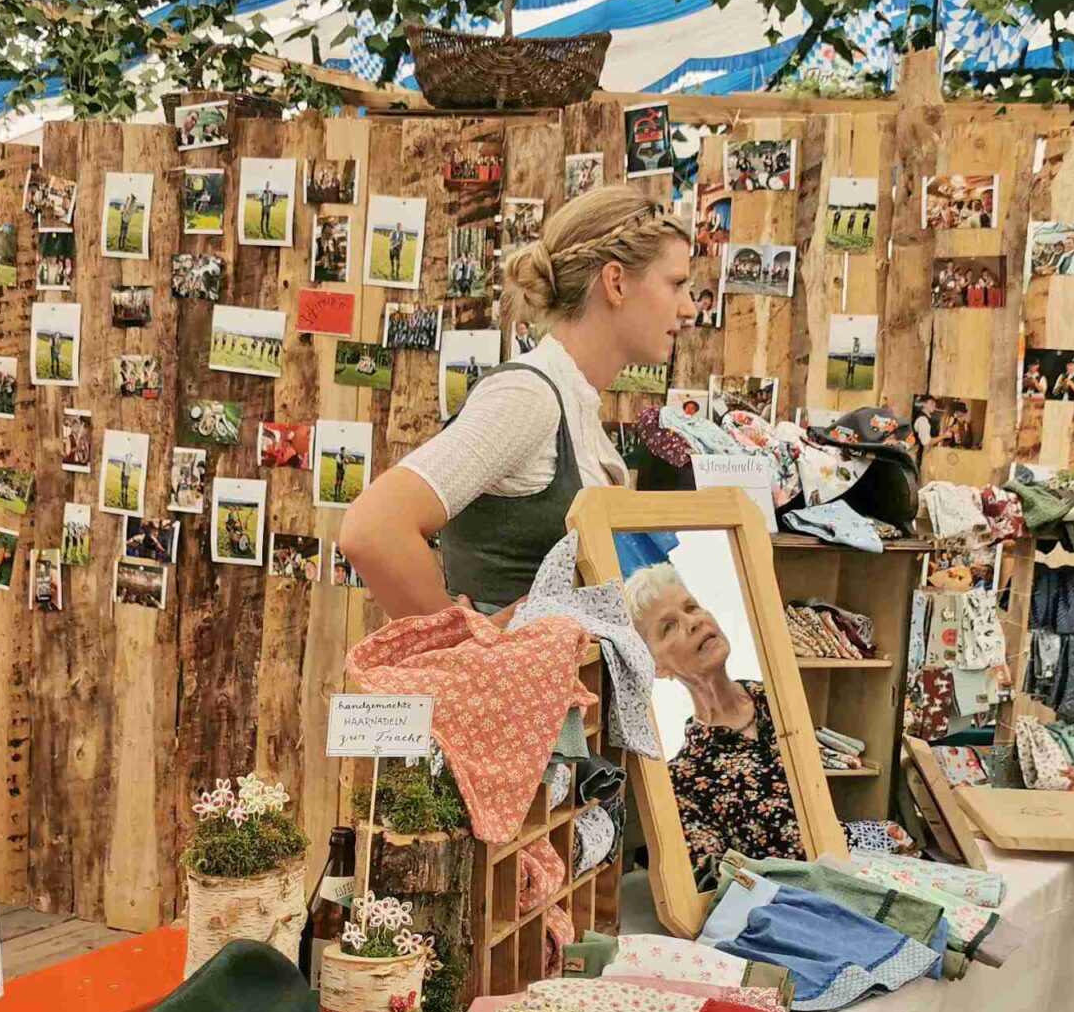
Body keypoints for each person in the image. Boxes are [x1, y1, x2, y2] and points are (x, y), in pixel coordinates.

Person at [342, 184, 696, 615]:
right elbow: (374, 527)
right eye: (676, 284)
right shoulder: (528, 398)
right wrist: (464, 644)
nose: (689, 309)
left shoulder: (575, 404)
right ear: (616, 283)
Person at [624, 563, 803, 889]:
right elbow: (718, 887)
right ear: (657, 668)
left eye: (691, 607)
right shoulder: (684, 779)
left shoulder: (785, 701)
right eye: (668, 627)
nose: (693, 622)